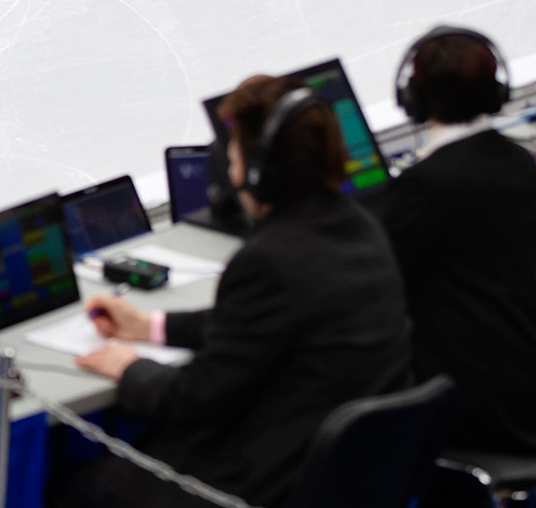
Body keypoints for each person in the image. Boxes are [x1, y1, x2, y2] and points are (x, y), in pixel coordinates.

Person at [57, 77, 412, 508]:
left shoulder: (268, 261)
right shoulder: (360, 227)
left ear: (260, 170)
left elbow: (196, 397)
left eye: (235, 154)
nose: (231, 168)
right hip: (344, 479)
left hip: (256, 485)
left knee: (76, 485)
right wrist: (150, 326)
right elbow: (253, 326)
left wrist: (129, 368)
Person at [381, 26, 536, 452]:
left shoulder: (425, 186)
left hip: (474, 402)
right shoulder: (519, 161)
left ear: (415, 99)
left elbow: (386, 282)